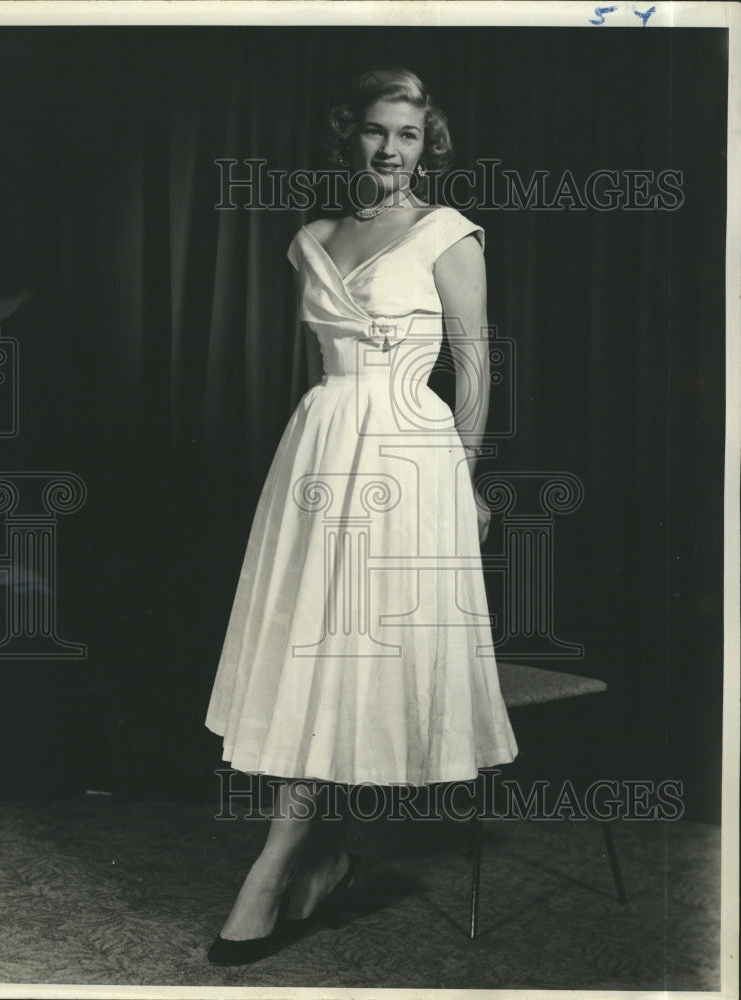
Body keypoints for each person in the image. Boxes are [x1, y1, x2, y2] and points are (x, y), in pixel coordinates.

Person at [204, 66, 518, 965]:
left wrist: (463, 481)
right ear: (351, 135)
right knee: (315, 657)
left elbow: (476, 367)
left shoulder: (448, 235)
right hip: (320, 447)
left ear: (430, 145)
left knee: (357, 655)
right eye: (378, 131)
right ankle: (328, 852)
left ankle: (273, 866)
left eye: (409, 136)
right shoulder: (311, 239)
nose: (391, 149)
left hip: (409, 456)